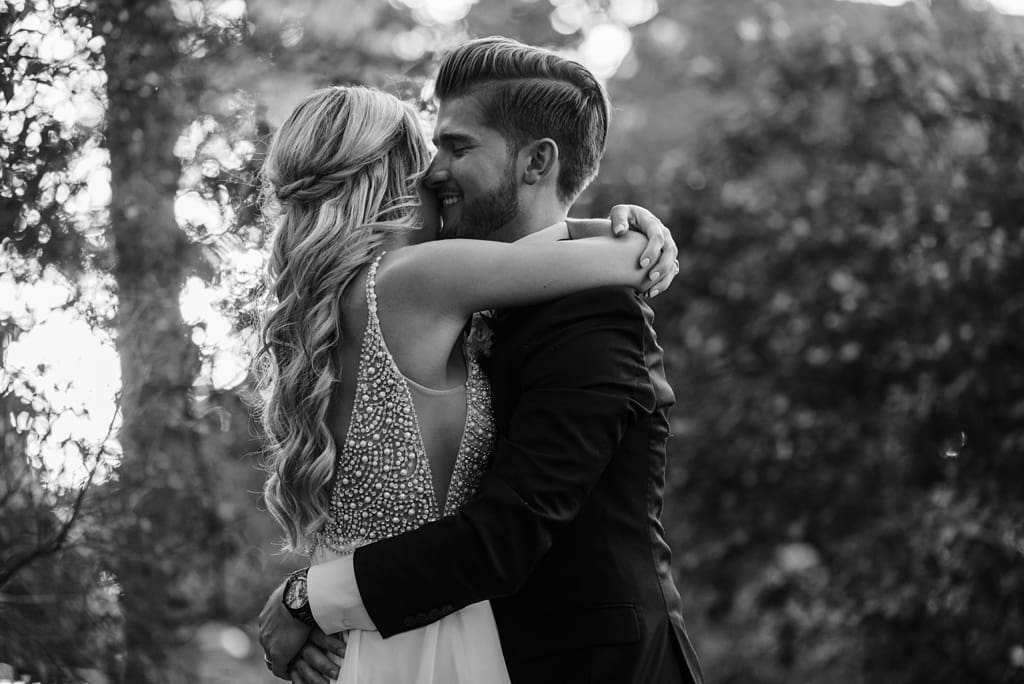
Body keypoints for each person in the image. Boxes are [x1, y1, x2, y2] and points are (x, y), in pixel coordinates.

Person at [260, 36, 705, 684]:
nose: (438, 173)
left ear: (537, 162)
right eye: (429, 152)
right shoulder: (425, 287)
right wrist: (638, 234)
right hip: (431, 639)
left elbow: (509, 532)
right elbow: (610, 257)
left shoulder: (582, 312)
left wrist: (309, 598)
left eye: (456, 148)